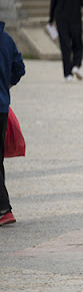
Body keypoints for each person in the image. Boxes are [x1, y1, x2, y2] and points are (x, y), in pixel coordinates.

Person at [0, 22, 26, 226]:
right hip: (2, 107)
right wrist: (7, 86)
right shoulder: (6, 39)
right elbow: (19, 67)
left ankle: (4, 208)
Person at [48, 0, 83, 82]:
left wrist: (50, 20)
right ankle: (76, 65)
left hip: (61, 20)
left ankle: (67, 74)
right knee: (77, 44)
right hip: (75, 19)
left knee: (65, 47)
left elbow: (53, 5)